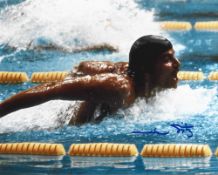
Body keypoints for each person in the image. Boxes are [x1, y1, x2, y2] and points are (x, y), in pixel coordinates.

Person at [0, 35, 180, 125]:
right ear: (145, 68)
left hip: (109, 73)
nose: (177, 64)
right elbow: (52, 89)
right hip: (88, 74)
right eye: (167, 59)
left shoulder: (153, 81)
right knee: (79, 124)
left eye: (173, 57)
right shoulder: (118, 88)